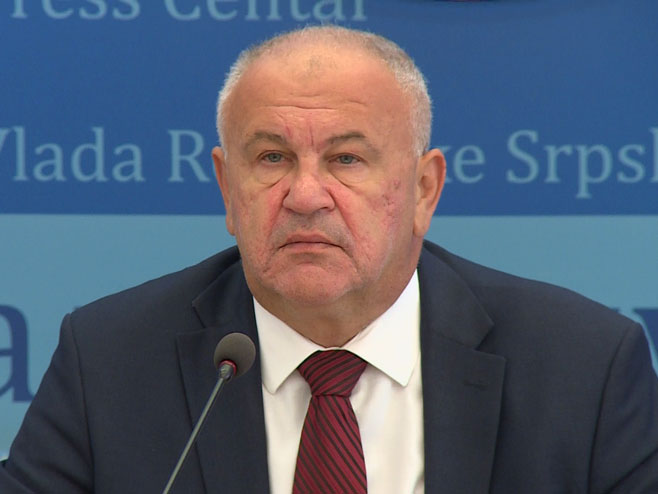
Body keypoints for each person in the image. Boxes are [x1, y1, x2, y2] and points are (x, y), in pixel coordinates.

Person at [1, 25, 657, 493]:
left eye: (346, 158)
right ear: (228, 188)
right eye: (272, 158)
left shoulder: (584, 368)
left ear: (423, 190)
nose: (306, 195)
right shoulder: (109, 361)